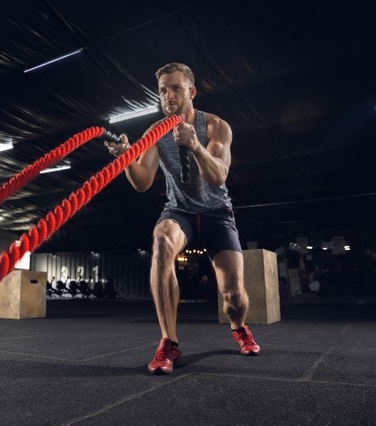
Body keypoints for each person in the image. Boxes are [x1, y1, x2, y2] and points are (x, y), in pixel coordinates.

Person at [105, 63, 260, 374]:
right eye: (163, 89)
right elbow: (142, 182)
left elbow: (218, 176)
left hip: (217, 213)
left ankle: (239, 327)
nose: (168, 95)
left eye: (175, 88)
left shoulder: (216, 126)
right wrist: (124, 157)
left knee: (234, 298)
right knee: (161, 241)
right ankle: (169, 342)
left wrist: (194, 145)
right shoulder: (155, 133)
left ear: (191, 92)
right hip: (180, 211)